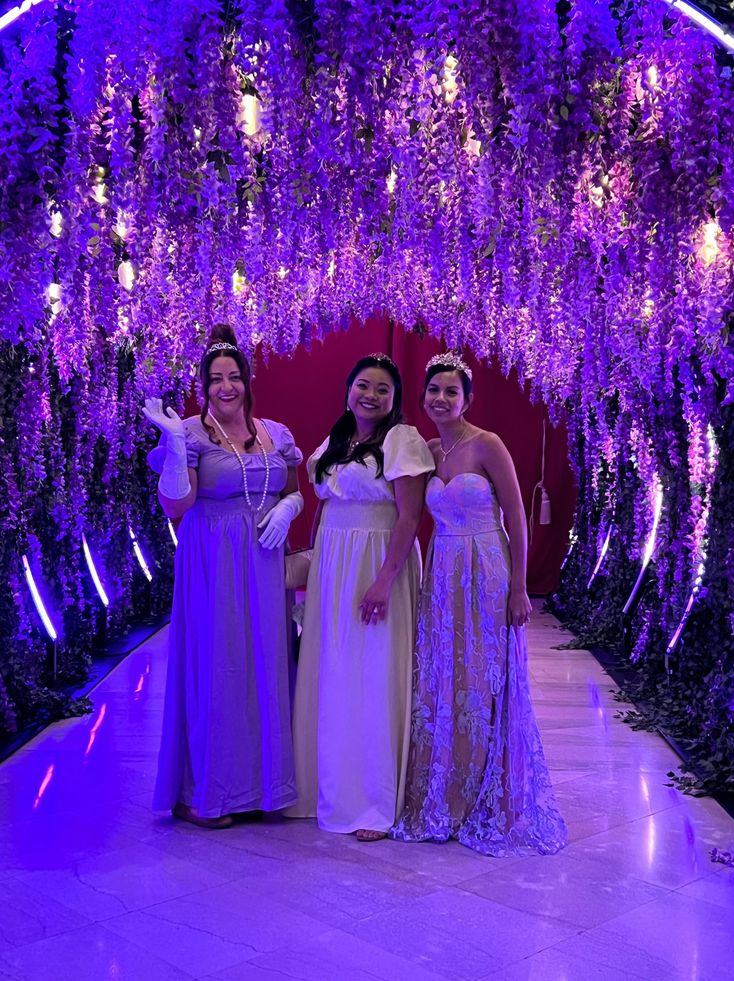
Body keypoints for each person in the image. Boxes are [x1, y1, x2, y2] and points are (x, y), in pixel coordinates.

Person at [391, 353, 567, 855]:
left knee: (484, 678)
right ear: (422, 397)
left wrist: (519, 587)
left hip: (487, 569)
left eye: (451, 391)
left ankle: (488, 796)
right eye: (434, 391)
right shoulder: (426, 450)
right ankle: (445, 790)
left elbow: (516, 516)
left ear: (467, 399)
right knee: (446, 677)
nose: (441, 399)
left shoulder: (488, 444)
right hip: (443, 573)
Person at [143, 324, 304, 829]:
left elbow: (295, 487)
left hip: (264, 558)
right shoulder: (190, 432)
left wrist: (290, 507)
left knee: (266, 665)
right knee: (216, 666)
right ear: (203, 384)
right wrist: (172, 445)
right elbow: (178, 502)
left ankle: (262, 788)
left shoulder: (275, 433)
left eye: (234, 376)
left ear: (249, 381)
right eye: (216, 379)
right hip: (212, 560)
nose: (226, 387)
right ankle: (204, 792)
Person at [287, 354, 434, 841]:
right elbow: (325, 508)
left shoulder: (402, 441)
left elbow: (410, 518)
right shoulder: (338, 439)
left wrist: (384, 579)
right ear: (348, 389)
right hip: (334, 564)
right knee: (334, 669)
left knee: (372, 673)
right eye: (363, 386)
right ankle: (324, 786)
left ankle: (371, 801)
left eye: (382, 390)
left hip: (377, 562)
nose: (370, 396)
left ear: (394, 399)